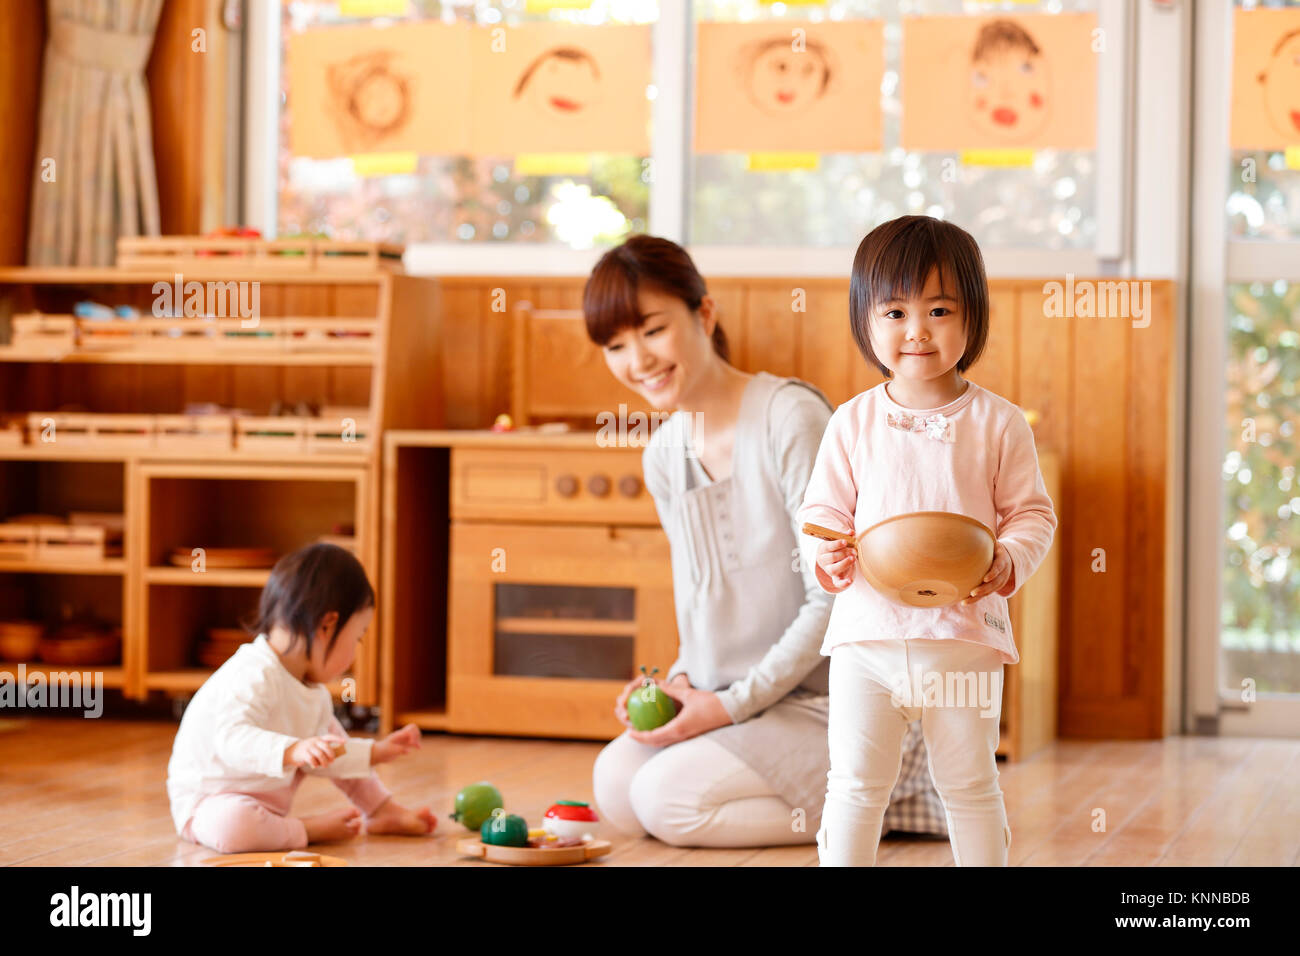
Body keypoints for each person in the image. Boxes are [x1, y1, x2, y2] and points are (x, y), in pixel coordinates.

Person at [587, 234, 947, 847]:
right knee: (616, 785)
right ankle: (855, 794)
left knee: (663, 798)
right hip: (740, 701)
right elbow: (703, 606)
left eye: (651, 330)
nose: (638, 360)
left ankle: (882, 795)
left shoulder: (789, 417)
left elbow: (833, 597)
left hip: (831, 700)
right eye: (615, 345)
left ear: (703, 314)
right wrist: (677, 686)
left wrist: (725, 708)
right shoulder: (663, 455)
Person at [800, 215, 1057, 866]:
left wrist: (1008, 558)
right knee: (855, 786)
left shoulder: (998, 423)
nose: (917, 330)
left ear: (974, 318)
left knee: (970, 785)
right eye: (894, 311)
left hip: (964, 639)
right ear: (865, 319)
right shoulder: (852, 421)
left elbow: (1032, 515)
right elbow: (822, 512)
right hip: (867, 639)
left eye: (939, 309)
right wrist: (827, 552)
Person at [167, 543, 435, 853]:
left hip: (264, 808)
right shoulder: (251, 674)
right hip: (209, 805)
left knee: (330, 740)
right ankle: (304, 830)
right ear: (326, 625)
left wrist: (376, 751)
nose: (354, 653)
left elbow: (332, 754)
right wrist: (292, 750)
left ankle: (381, 810)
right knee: (234, 826)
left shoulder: (310, 689)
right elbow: (231, 739)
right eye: (357, 637)